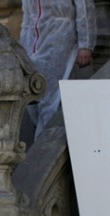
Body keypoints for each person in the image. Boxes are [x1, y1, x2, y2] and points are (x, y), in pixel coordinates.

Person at [20, 0, 96, 138]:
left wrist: (85, 44)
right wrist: (22, 50)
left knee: (51, 99)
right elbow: (27, 17)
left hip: (62, 38)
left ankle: (43, 145)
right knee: (32, 97)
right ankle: (42, 141)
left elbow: (84, 7)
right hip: (33, 43)